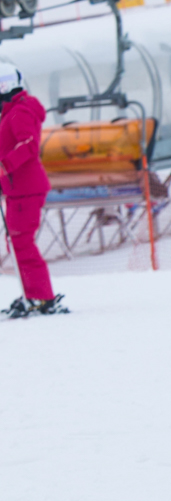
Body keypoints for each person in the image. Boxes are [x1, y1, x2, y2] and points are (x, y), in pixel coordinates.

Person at [0, 63, 62, 319]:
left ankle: (40, 296)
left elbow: (29, 145)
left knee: (21, 243)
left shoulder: (19, 113)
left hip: (25, 189)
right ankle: (32, 293)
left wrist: (4, 167)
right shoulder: (11, 111)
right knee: (16, 243)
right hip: (17, 189)